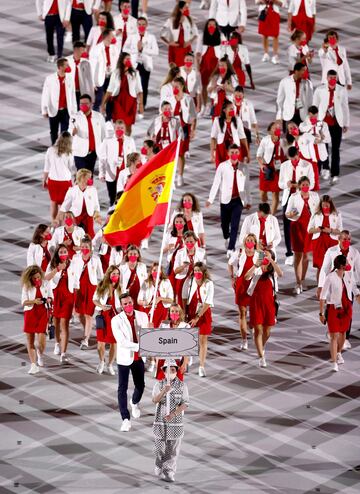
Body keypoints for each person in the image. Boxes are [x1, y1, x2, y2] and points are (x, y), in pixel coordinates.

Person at [111, 292, 149, 432]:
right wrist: (140, 345)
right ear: (121, 306)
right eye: (125, 304)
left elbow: (147, 334)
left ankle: (134, 403)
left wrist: (149, 329)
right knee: (122, 388)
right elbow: (122, 342)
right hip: (124, 358)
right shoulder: (116, 320)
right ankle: (125, 419)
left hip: (139, 357)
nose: (128, 305)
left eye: (130, 302)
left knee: (140, 385)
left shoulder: (142, 316)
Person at [318, 230, 360, 349]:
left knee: (348, 312)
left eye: (348, 239)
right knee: (333, 310)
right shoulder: (331, 252)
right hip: (334, 286)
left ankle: (345, 337)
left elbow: (359, 270)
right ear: (339, 239)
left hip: (348, 287)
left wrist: (357, 291)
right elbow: (324, 269)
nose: (346, 241)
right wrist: (321, 286)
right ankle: (332, 331)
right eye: (344, 239)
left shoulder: (355, 253)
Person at [206, 143, 251, 257]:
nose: (234, 155)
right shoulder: (222, 166)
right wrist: (210, 199)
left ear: (239, 153)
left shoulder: (244, 167)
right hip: (225, 200)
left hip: (238, 200)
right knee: (224, 225)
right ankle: (227, 236)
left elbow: (246, 186)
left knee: (235, 225)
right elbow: (216, 183)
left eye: (236, 152)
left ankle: (231, 248)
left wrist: (248, 201)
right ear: (228, 153)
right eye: (232, 152)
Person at [319, 255, 360, 372]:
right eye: (346, 262)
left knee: (343, 334)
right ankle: (334, 363)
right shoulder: (330, 277)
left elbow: (354, 288)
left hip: (346, 308)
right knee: (333, 336)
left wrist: (357, 296)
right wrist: (321, 313)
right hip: (333, 309)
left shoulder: (348, 275)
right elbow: (322, 297)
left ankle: (338, 353)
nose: (348, 264)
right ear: (342, 266)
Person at [152, 359, 189, 482]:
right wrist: (164, 391)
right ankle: (159, 464)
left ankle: (169, 471)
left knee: (173, 449)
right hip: (160, 421)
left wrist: (174, 414)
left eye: (174, 370)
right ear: (164, 372)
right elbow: (155, 400)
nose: (172, 372)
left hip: (175, 422)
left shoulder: (182, 386)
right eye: (169, 370)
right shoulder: (159, 385)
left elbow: (185, 404)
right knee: (159, 448)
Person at [245, 250, 283, 367]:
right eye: (263, 254)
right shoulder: (257, 268)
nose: (264, 256)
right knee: (258, 330)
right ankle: (261, 356)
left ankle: (261, 345)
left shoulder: (273, 271)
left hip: (269, 303)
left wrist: (271, 261)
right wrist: (257, 264)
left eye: (267, 255)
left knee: (267, 331)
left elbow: (281, 274)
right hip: (256, 303)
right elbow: (246, 277)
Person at [313, 70, 350, 185]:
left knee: (335, 149)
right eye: (331, 77)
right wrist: (314, 123)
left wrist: (346, 123)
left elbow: (345, 107)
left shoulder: (341, 90)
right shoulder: (320, 90)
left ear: (337, 78)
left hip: (337, 123)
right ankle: (325, 169)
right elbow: (314, 107)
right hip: (323, 124)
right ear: (327, 78)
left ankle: (335, 173)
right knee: (322, 148)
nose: (333, 79)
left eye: (335, 77)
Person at [278, 146, 314, 264]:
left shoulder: (307, 165)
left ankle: (304, 250)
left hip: (302, 198)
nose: (294, 161)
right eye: (291, 159)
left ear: (298, 154)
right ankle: (289, 253)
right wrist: (287, 184)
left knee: (303, 226)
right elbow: (280, 184)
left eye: (295, 158)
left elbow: (312, 184)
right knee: (288, 226)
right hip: (288, 198)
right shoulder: (284, 166)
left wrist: (300, 186)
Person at [286, 176, 320, 294]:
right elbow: (287, 214)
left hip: (309, 228)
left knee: (306, 256)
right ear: (299, 186)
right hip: (297, 228)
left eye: (307, 184)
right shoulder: (294, 197)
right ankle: (298, 282)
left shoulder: (315, 196)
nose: (305, 187)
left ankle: (303, 280)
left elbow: (319, 213)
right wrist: (291, 213)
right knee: (298, 256)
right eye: (303, 185)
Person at [71, 234, 104, 349]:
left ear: (90, 247)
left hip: (91, 289)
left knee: (88, 315)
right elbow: (71, 273)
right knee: (79, 314)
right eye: (83, 246)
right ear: (80, 247)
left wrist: (100, 292)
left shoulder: (95, 259)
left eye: (87, 246)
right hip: (79, 289)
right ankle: (87, 329)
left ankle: (86, 339)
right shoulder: (75, 258)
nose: (85, 248)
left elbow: (101, 276)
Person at [183, 262, 214, 377]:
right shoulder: (189, 281)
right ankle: (187, 360)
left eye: (199, 271)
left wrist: (197, 317)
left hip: (203, 313)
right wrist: (185, 313)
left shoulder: (209, 284)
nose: (197, 273)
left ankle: (201, 366)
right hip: (190, 312)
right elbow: (184, 297)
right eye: (195, 270)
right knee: (190, 339)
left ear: (204, 272)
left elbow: (208, 302)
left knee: (202, 340)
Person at [21, 265, 53, 375]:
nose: (37, 279)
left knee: (41, 342)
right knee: (30, 341)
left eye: (38, 277)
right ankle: (33, 365)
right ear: (30, 278)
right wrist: (34, 301)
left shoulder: (46, 283)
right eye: (34, 278)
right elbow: (24, 302)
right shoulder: (26, 286)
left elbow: (51, 297)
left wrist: (47, 300)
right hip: (30, 313)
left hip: (43, 314)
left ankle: (40, 354)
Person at [45, 243, 74, 363]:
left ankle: (63, 353)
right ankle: (57, 342)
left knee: (64, 324)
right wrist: (57, 269)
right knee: (56, 321)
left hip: (68, 296)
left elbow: (76, 280)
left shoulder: (72, 263)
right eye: (61, 252)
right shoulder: (52, 264)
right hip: (55, 295)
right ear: (57, 253)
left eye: (65, 252)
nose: (63, 254)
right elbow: (46, 277)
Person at [102, 52, 143, 135]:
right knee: (118, 125)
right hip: (118, 102)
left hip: (130, 103)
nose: (129, 60)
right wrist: (103, 104)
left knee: (128, 127)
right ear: (122, 60)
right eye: (127, 59)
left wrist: (141, 105)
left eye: (129, 59)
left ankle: (127, 143)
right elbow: (109, 90)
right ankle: (117, 142)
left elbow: (139, 90)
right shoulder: (115, 73)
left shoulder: (135, 73)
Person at [228, 233, 257, 350]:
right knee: (242, 313)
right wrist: (232, 277)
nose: (249, 242)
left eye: (251, 240)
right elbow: (230, 264)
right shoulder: (240, 252)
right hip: (241, 284)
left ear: (255, 243)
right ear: (245, 242)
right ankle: (244, 339)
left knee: (254, 312)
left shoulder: (259, 254)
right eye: (247, 240)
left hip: (255, 285)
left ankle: (253, 329)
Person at [123, 16, 159, 109]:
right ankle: (132, 104)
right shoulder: (132, 36)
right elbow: (124, 49)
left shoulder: (151, 37)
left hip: (145, 64)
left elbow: (156, 51)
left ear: (146, 25)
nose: (141, 26)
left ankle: (142, 105)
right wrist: (135, 49)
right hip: (133, 64)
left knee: (143, 86)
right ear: (137, 25)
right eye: (139, 24)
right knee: (132, 85)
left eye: (143, 24)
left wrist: (143, 49)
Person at [99, 120, 136, 205]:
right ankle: (113, 215)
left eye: (122, 128)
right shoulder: (107, 141)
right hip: (111, 173)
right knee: (113, 198)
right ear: (114, 129)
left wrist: (134, 172)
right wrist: (102, 173)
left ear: (125, 129)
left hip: (125, 174)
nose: (120, 130)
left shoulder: (130, 140)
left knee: (124, 197)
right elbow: (102, 158)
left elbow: (134, 157)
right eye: (117, 128)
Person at [93, 264, 122, 375]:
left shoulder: (120, 287)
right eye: (114, 273)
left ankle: (110, 364)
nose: (116, 275)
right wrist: (102, 306)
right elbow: (94, 300)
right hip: (103, 316)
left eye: (117, 274)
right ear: (109, 274)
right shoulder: (102, 285)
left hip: (115, 318)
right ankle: (101, 362)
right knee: (101, 343)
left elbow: (123, 301)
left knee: (114, 344)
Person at [41, 57, 77, 145]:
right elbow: (45, 94)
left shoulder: (70, 79)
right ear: (60, 67)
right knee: (53, 131)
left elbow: (73, 96)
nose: (68, 67)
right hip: (53, 109)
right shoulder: (50, 79)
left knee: (64, 132)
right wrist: (44, 110)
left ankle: (62, 148)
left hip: (66, 111)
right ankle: (54, 147)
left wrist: (74, 111)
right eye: (66, 65)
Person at [59, 168, 102, 238]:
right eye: (88, 177)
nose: (90, 179)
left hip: (88, 217)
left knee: (89, 236)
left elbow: (96, 206)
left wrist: (97, 216)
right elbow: (64, 207)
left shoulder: (93, 190)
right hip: (76, 217)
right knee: (76, 236)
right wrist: (59, 220)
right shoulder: (72, 191)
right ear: (82, 178)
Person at [69, 93, 106, 173]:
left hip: (93, 152)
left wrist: (104, 149)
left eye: (85, 103)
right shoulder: (75, 117)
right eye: (81, 104)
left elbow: (103, 134)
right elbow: (70, 130)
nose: (83, 105)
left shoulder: (99, 116)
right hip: (79, 152)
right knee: (81, 174)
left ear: (91, 104)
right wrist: (72, 132)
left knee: (89, 175)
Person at [43, 131, 74, 223]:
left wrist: (44, 179)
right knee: (65, 205)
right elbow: (70, 168)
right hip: (65, 182)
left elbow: (46, 167)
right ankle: (63, 224)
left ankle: (54, 222)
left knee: (53, 202)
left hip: (53, 181)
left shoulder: (50, 150)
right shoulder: (69, 153)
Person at [308, 195, 342, 279]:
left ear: (330, 204)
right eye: (323, 205)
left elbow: (340, 230)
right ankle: (319, 289)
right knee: (320, 267)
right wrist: (318, 229)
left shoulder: (337, 214)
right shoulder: (316, 214)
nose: (325, 207)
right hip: (319, 243)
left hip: (332, 242)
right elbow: (309, 230)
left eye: (327, 205)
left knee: (332, 266)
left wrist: (330, 230)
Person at [171, 77, 197, 187]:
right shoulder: (170, 98)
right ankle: (172, 174)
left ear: (182, 86)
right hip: (172, 128)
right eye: (173, 86)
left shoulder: (188, 99)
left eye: (176, 86)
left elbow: (194, 116)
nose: (174, 88)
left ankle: (180, 175)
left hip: (184, 128)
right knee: (172, 153)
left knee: (180, 153)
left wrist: (193, 129)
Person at [210, 99, 249, 168]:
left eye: (233, 109)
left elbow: (243, 137)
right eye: (230, 109)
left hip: (235, 149)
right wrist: (212, 154)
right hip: (221, 150)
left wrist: (247, 153)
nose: (233, 111)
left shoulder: (238, 120)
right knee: (222, 171)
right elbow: (213, 138)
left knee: (235, 170)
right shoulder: (217, 120)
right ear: (224, 110)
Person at [155, 304, 190, 380]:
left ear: (180, 313)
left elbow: (188, 349)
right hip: (163, 359)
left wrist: (184, 364)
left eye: (176, 311)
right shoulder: (164, 324)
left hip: (177, 360)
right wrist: (157, 360)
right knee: (162, 385)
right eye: (172, 311)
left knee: (176, 386)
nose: (174, 313)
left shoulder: (185, 326)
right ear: (169, 312)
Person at [256, 121, 284, 216]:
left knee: (275, 193)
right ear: (270, 131)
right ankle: (266, 208)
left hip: (278, 169)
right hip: (266, 168)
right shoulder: (265, 140)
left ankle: (271, 216)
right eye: (274, 128)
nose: (277, 129)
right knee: (262, 193)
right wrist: (261, 165)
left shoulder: (283, 141)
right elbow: (259, 155)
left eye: (278, 127)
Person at [195, 19, 223, 113]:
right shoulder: (202, 36)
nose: (211, 26)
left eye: (213, 25)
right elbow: (197, 52)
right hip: (204, 63)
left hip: (215, 64)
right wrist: (197, 66)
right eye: (209, 24)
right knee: (203, 86)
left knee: (213, 85)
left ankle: (211, 105)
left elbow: (224, 49)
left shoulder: (221, 36)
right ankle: (203, 105)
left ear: (216, 27)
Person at [161, 1, 199, 68]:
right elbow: (162, 34)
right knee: (175, 70)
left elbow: (196, 34)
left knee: (186, 68)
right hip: (175, 49)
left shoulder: (189, 19)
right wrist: (169, 43)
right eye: (185, 8)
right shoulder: (171, 20)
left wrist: (190, 42)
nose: (187, 9)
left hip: (186, 48)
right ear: (180, 9)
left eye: (187, 7)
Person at [90, 29, 119, 114]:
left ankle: (108, 119)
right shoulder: (96, 49)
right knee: (98, 98)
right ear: (107, 37)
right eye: (112, 35)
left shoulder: (114, 48)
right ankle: (95, 115)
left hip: (111, 76)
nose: (113, 37)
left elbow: (117, 62)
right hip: (100, 77)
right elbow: (92, 66)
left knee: (110, 98)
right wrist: (92, 83)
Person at [173, 230, 206, 305]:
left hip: (197, 280)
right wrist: (183, 266)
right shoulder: (180, 253)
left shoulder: (201, 252)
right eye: (187, 241)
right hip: (182, 281)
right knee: (182, 304)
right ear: (184, 241)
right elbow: (175, 271)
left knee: (194, 303)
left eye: (191, 241)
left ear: (195, 241)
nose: (189, 244)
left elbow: (204, 269)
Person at [299, 105, 331, 181]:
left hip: (319, 149)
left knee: (317, 170)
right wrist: (311, 128)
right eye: (312, 114)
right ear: (309, 114)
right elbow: (302, 136)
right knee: (309, 171)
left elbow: (328, 139)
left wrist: (321, 137)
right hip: (308, 151)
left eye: (315, 114)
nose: (314, 117)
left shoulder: (323, 125)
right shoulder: (303, 125)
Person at [276, 62, 313, 127]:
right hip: (288, 115)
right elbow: (280, 101)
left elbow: (310, 100)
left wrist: (310, 116)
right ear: (296, 71)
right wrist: (279, 116)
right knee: (290, 136)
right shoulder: (285, 82)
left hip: (302, 116)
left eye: (306, 70)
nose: (305, 72)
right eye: (303, 70)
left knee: (301, 136)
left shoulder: (308, 83)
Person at [138, 262, 174, 327]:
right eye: (154, 270)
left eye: (158, 270)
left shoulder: (166, 282)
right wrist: (146, 303)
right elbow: (139, 300)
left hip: (161, 312)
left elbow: (171, 300)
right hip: (147, 311)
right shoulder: (145, 283)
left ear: (161, 272)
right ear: (151, 271)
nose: (156, 272)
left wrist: (160, 298)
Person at [164, 213, 189, 290]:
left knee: (181, 288)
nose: (178, 224)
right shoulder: (170, 235)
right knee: (171, 288)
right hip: (171, 265)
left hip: (183, 266)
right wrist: (168, 247)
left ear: (184, 223)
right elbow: (162, 251)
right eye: (176, 222)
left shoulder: (188, 236)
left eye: (181, 222)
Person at [66, 40, 94, 108]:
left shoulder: (86, 62)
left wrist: (92, 96)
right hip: (69, 91)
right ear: (76, 50)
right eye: (82, 50)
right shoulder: (66, 61)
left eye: (84, 50)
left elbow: (89, 78)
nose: (84, 53)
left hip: (81, 92)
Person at [256, 0, 285, 65]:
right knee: (264, 34)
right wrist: (263, 1)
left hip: (274, 13)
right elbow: (257, 2)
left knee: (275, 35)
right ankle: (266, 54)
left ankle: (275, 56)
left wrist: (274, 1)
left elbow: (282, 4)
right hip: (264, 12)